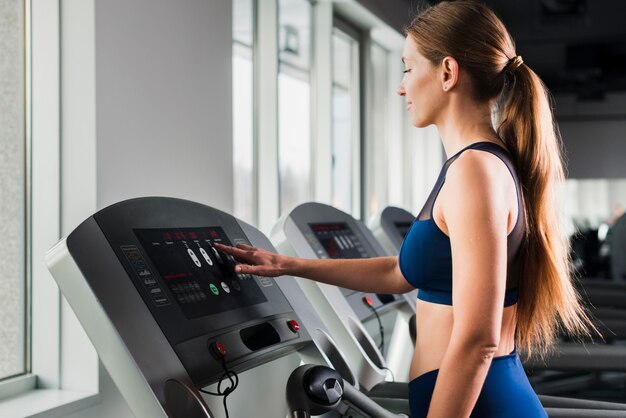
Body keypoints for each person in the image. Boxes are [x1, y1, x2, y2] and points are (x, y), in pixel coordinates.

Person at [216, 1, 595, 416]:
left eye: (407, 68)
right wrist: (288, 264)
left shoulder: (475, 172)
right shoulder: (472, 166)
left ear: (448, 73)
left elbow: (477, 339)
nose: (401, 87)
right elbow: (399, 272)